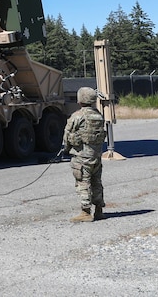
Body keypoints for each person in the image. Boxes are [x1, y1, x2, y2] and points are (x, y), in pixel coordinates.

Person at [63, 86, 106, 222]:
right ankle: (99, 209)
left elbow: (67, 135)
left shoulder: (77, 116)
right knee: (96, 182)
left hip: (82, 156)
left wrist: (66, 148)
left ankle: (86, 212)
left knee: (83, 182)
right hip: (96, 156)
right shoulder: (98, 115)